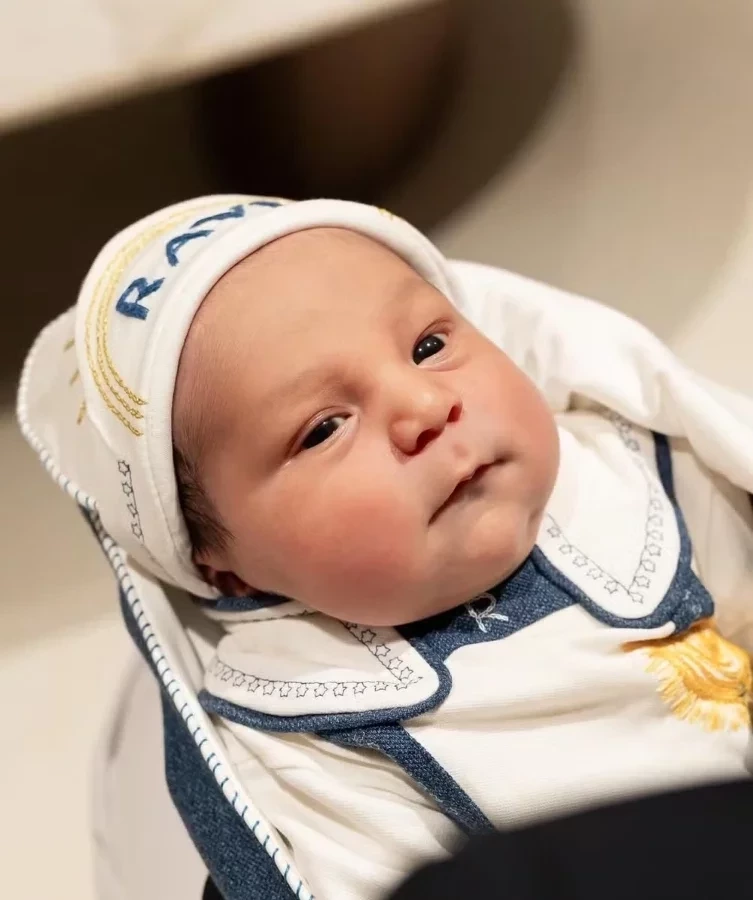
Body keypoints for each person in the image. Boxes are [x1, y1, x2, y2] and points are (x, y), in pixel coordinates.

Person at [19, 195, 753, 900]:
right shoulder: (311, 737)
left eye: (429, 346)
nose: (426, 407)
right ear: (228, 572)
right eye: (323, 429)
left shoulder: (634, 480)